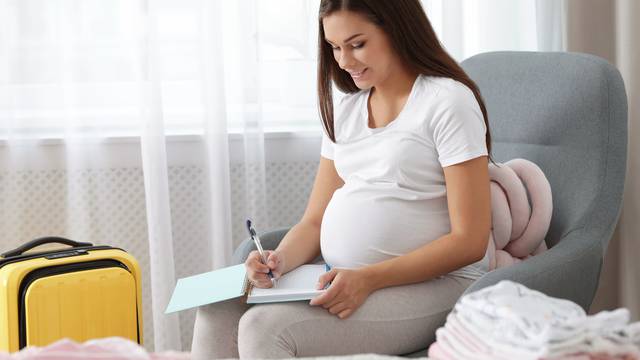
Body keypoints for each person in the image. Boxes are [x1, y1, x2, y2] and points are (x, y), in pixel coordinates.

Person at [191, 0, 494, 358]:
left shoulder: (447, 102)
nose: (345, 61)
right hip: (345, 277)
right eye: (334, 47)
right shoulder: (345, 109)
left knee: (265, 329)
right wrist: (279, 261)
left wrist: (369, 279)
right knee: (216, 307)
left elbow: (469, 240)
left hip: (437, 286)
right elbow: (315, 220)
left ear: (398, 30)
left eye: (357, 44)